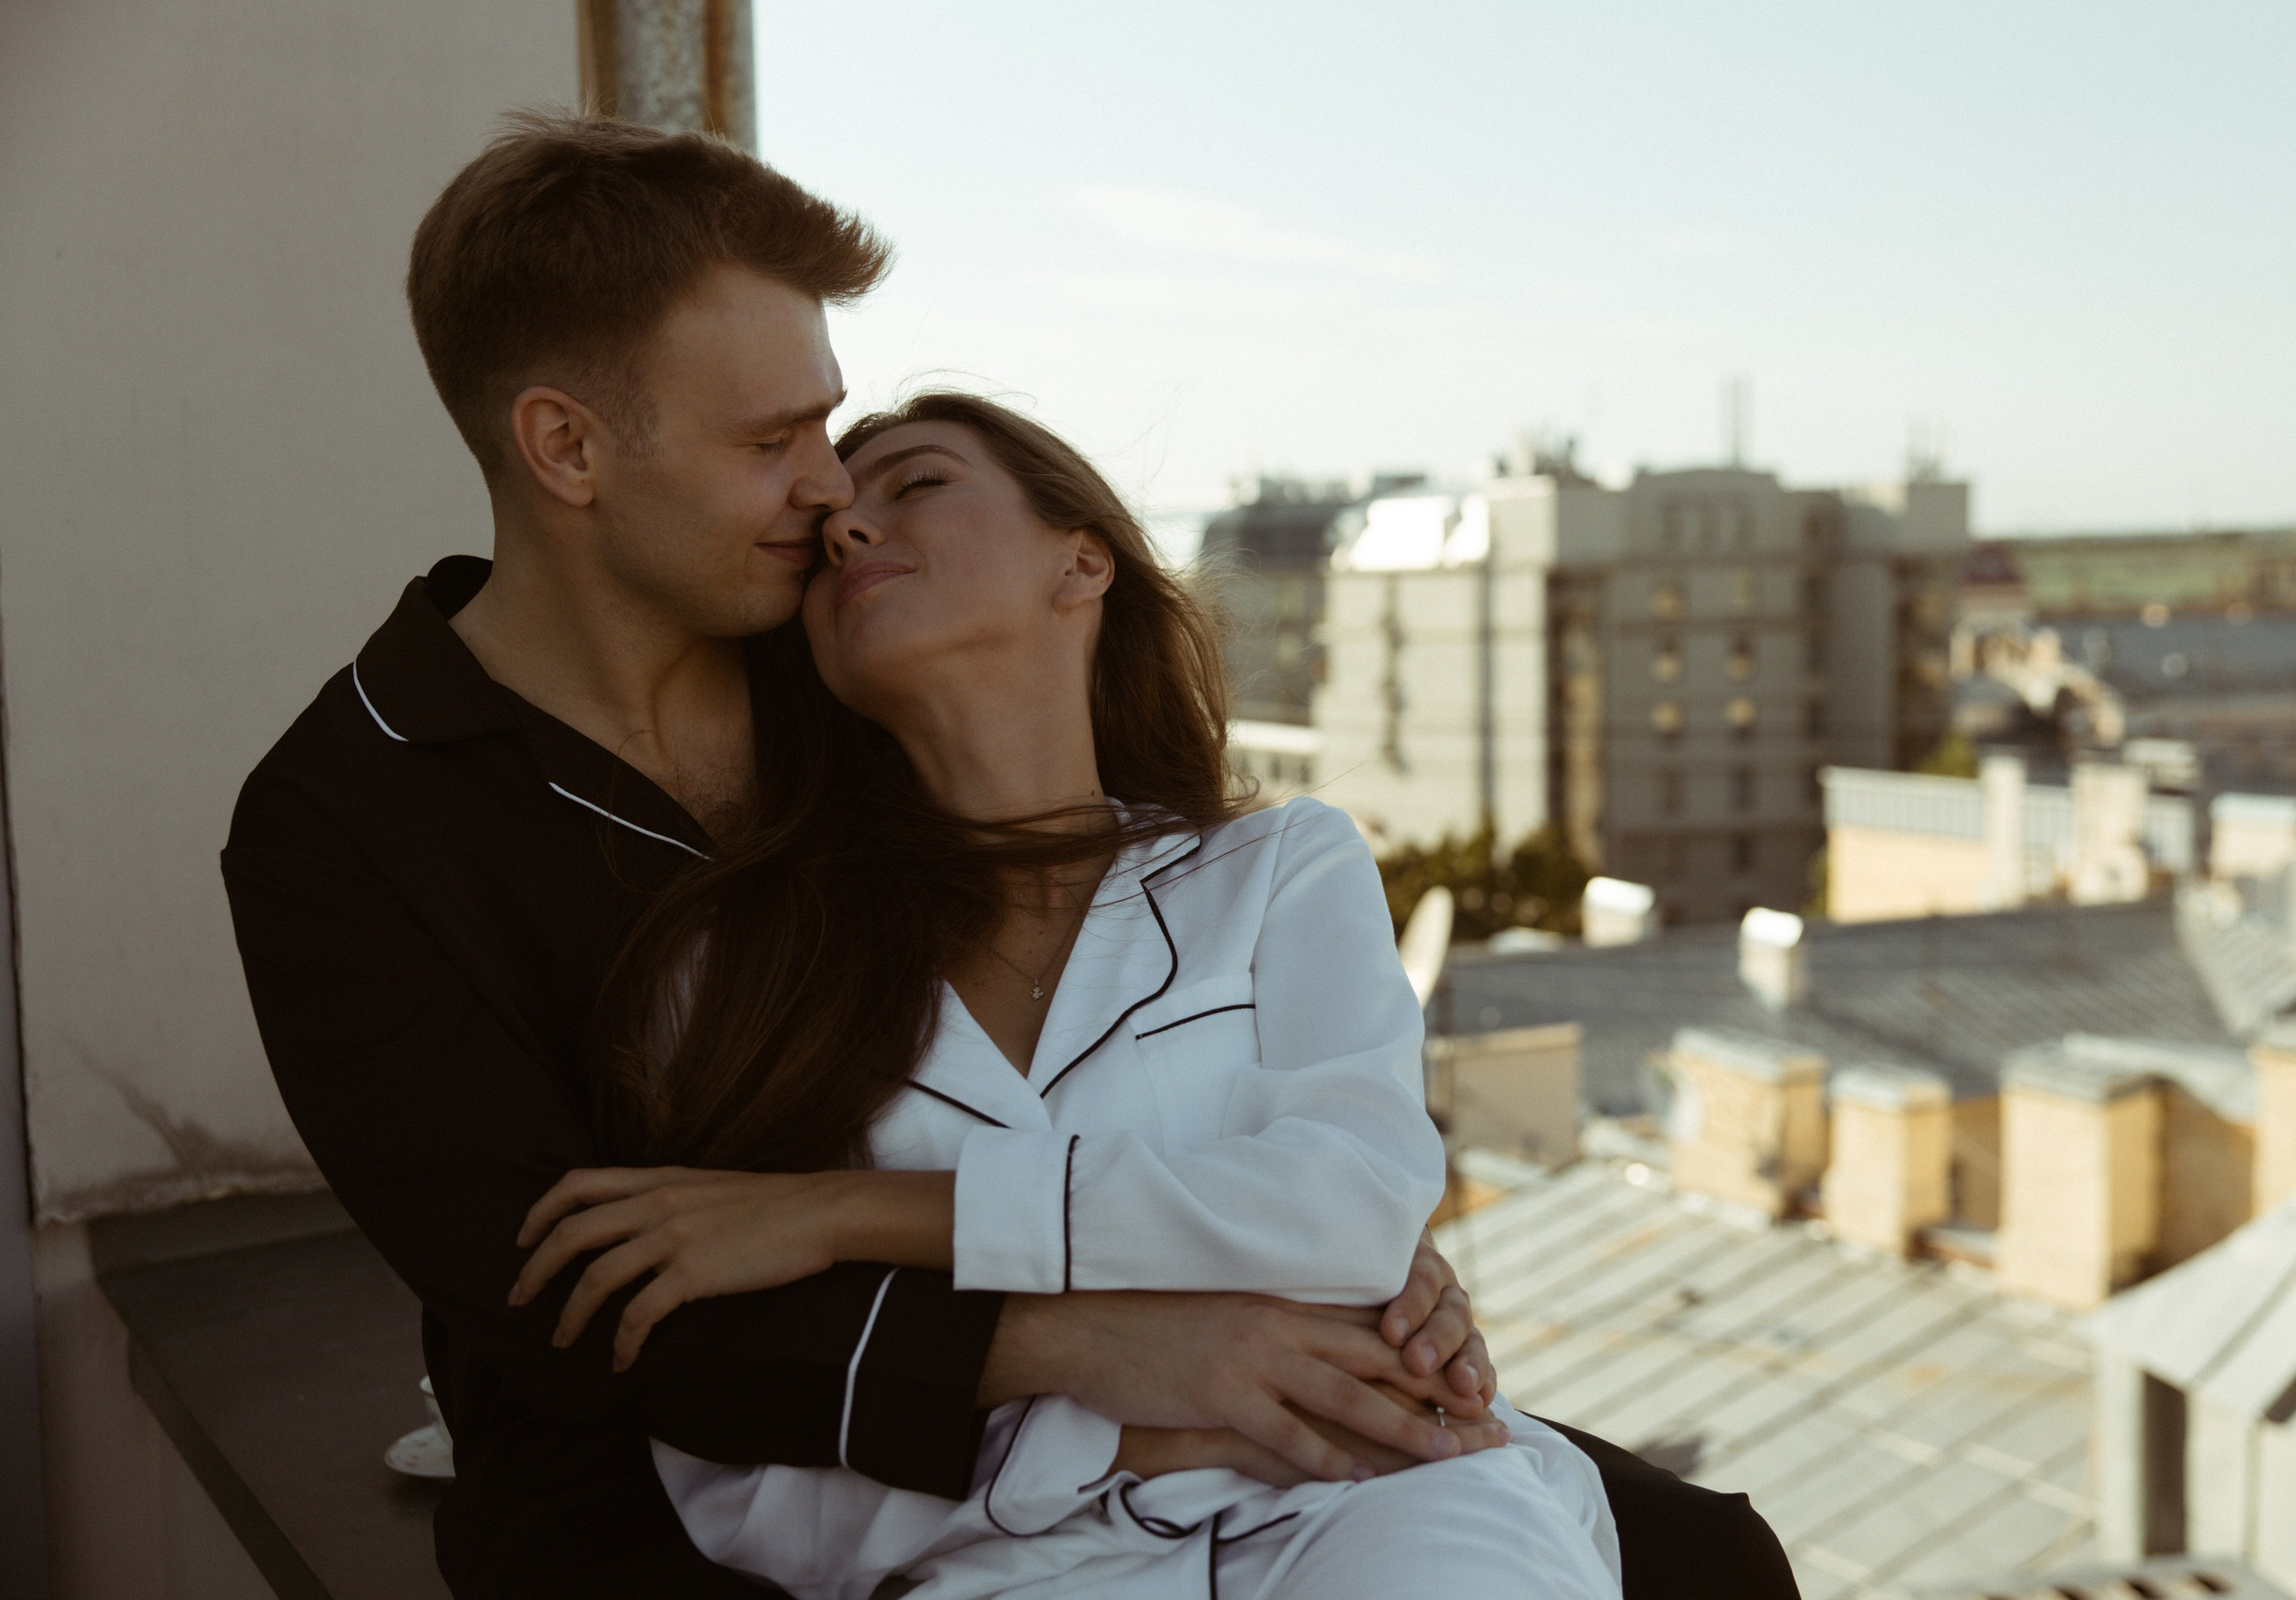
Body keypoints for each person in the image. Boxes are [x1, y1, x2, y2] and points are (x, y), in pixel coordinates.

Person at [220, 112, 1797, 1600]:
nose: (833, 495)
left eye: (835, 429)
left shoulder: (843, 656)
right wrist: (1082, 1347)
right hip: (691, 1485)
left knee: (1699, 1557)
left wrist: (1345, 1251)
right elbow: (583, 1316)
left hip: (1209, 1399)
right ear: (566, 449)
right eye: (776, 440)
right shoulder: (344, 829)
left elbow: (1153, 961)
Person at [503, 391, 1621, 1598]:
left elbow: (1349, 1212)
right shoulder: (734, 965)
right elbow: (727, 1450)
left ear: (1081, 558)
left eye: (916, 484)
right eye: (828, 525)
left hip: (1381, 1501)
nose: (846, 531)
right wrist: (1128, 1429)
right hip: (1002, 1568)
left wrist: (845, 1214)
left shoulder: (1280, 867)